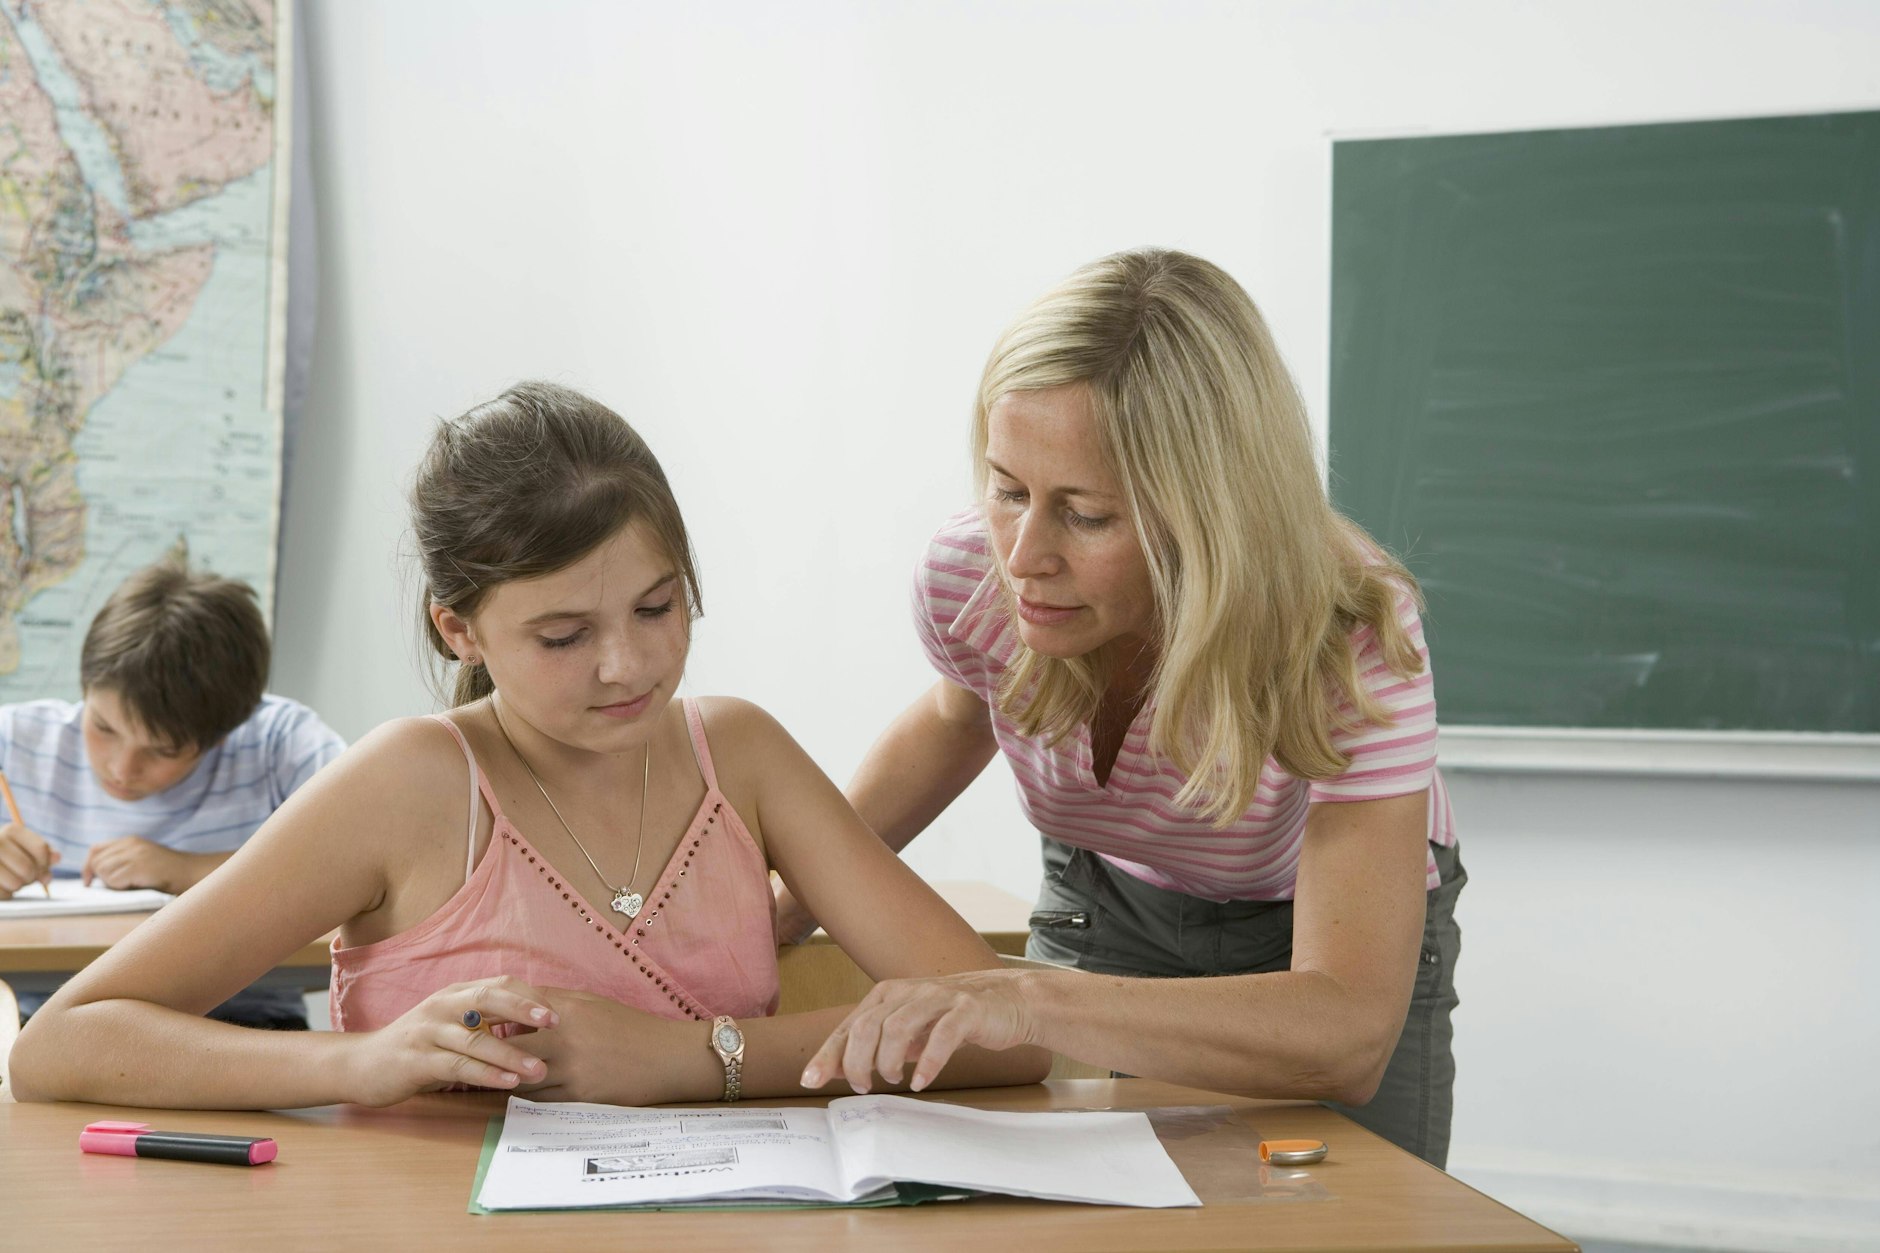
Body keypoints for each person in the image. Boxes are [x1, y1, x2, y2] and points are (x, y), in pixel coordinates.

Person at [8, 381, 1047, 1108]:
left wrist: (695, 1056)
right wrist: (358, 1062)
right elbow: (61, 1043)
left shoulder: (741, 754)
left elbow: (1012, 1029)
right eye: (562, 636)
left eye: (656, 606)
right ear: (458, 629)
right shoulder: (409, 782)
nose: (626, 665)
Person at [788, 249, 1465, 1166]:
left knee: (1356, 1212)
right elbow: (954, 721)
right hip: (1106, 896)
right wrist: (780, 907)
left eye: (1086, 514)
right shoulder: (969, 576)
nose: (1022, 556)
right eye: (1009, 490)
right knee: (1073, 1200)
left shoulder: (1348, 636)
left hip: (1310, 931)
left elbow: (1345, 1030)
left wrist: (1028, 995)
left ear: (1209, 514)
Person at [0, 557, 345, 1029]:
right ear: (85, 687)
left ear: (222, 736)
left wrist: (186, 871)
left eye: (163, 750)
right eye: (103, 727)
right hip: (47, 1022)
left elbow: (361, 863)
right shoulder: (14, 740)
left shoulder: (278, 742)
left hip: (245, 1022)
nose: (121, 769)